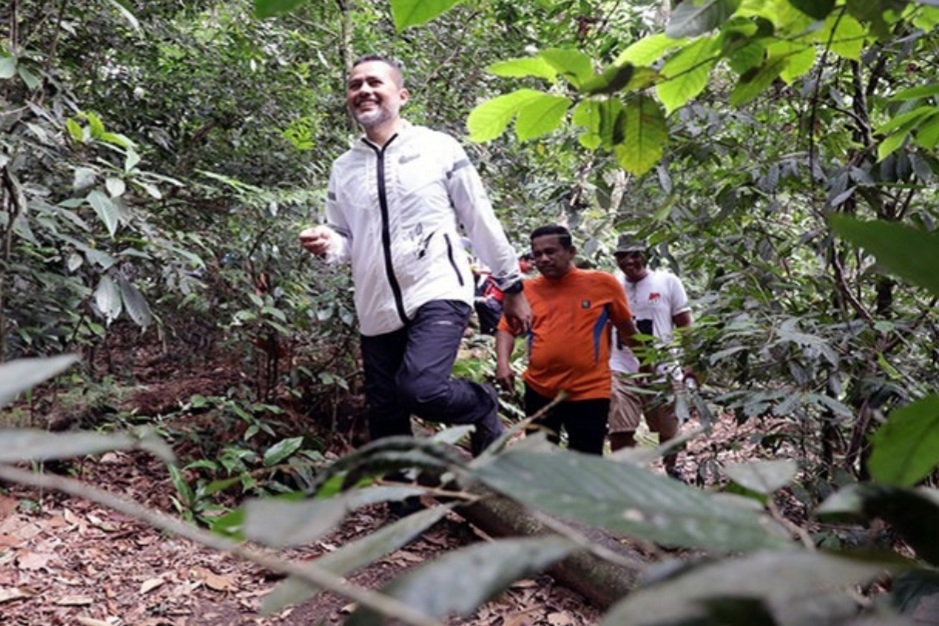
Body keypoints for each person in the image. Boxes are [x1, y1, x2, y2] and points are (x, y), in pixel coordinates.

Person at [298, 54, 532, 462]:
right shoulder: (344, 167)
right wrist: (327, 242)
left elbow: (479, 218)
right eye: (355, 85)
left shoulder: (437, 148)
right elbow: (345, 237)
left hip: (437, 286)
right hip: (375, 303)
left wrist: (511, 284)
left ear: (401, 95)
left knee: (420, 389)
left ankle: (480, 403)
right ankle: (403, 508)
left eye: (375, 82)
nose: (363, 91)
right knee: (386, 412)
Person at [495, 225, 638, 455]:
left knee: (585, 460)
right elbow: (506, 328)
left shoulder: (603, 284)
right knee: (541, 457)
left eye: (550, 252)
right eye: (537, 254)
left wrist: (649, 365)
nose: (543, 259)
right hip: (540, 389)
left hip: (590, 391)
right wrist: (503, 363)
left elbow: (626, 327)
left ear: (571, 251)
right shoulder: (526, 290)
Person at [608, 233, 694, 479]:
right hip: (621, 366)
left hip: (663, 368)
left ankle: (672, 468)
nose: (629, 261)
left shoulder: (668, 281)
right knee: (620, 427)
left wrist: (690, 362)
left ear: (647, 255)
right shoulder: (612, 284)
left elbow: (684, 324)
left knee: (668, 429)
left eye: (635, 254)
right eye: (622, 256)